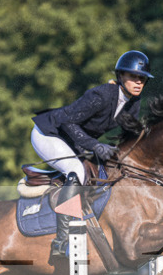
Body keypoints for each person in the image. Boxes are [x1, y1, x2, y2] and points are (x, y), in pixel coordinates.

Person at [31, 50, 153, 257]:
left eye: (142, 78)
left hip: (74, 141)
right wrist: (95, 146)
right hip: (49, 133)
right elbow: (67, 122)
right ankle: (61, 241)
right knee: (76, 171)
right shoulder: (102, 95)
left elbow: (130, 135)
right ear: (121, 76)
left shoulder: (134, 102)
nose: (138, 82)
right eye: (133, 77)